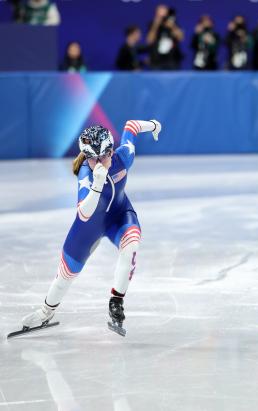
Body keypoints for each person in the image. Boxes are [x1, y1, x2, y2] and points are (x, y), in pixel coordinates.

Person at [20, 120, 161, 336]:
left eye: (104, 156)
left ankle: (116, 301)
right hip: (88, 227)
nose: (100, 162)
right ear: (86, 156)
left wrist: (152, 125)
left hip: (120, 216)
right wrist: (96, 184)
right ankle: (46, 311)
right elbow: (84, 214)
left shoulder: (123, 157)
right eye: (93, 158)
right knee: (65, 276)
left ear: (111, 151)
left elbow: (131, 127)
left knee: (131, 245)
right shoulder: (86, 175)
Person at [146, 4, 184, 70]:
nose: (162, 16)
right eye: (159, 13)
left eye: (164, 13)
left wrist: (172, 26)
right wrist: (155, 25)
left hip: (172, 60)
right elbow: (149, 41)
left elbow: (181, 38)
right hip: (156, 61)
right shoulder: (152, 24)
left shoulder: (173, 23)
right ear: (156, 13)